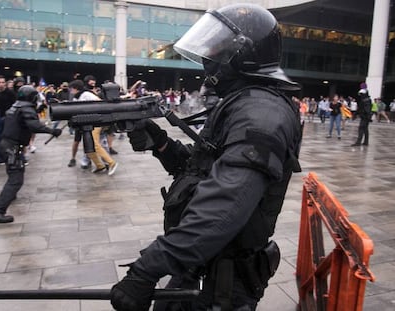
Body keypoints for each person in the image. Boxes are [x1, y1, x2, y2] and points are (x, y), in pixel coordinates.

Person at [110, 4, 302, 311]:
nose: (207, 58)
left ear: (242, 53)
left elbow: (226, 205)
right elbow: (206, 170)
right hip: (203, 263)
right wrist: (161, 144)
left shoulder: (261, 113)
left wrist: (149, 266)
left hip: (223, 281)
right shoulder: (244, 102)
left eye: (217, 48)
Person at [0, 85, 62, 223]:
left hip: (7, 145)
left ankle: (9, 196)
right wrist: (52, 131)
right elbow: (33, 125)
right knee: (16, 180)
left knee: (13, 175)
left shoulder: (15, 106)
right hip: (13, 147)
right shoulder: (26, 108)